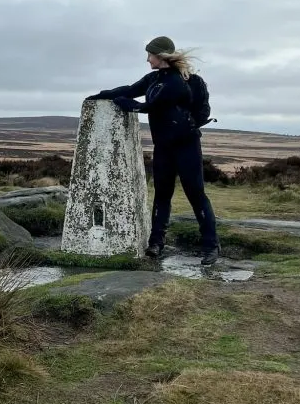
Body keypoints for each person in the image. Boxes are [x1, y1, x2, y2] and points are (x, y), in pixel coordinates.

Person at [88, 36, 220, 265]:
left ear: (161, 56)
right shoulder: (153, 79)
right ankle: (156, 244)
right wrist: (102, 95)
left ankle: (211, 246)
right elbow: (130, 90)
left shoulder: (190, 81)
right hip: (163, 147)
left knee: (196, 194)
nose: (147, 59)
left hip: (187, 145)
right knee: (162, 195)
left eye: (150, 54)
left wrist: (185, 124)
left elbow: (164, 106)